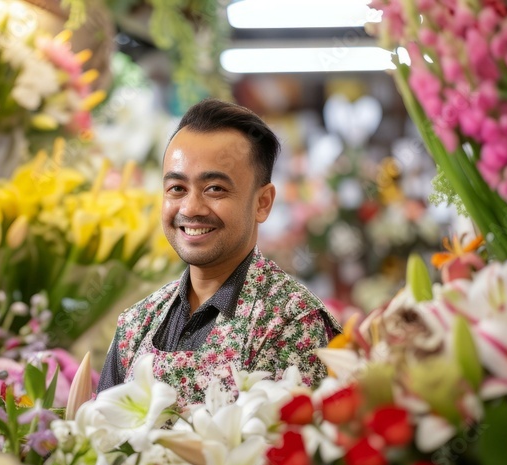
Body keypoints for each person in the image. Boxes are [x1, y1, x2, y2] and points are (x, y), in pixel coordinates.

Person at [97, 98, 341, 406]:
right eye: (177, 188)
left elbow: (292, 447)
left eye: (215, 189)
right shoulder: (137, 323)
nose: (191, 208)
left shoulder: (292, 322)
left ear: (262, 202)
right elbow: (100, 438)